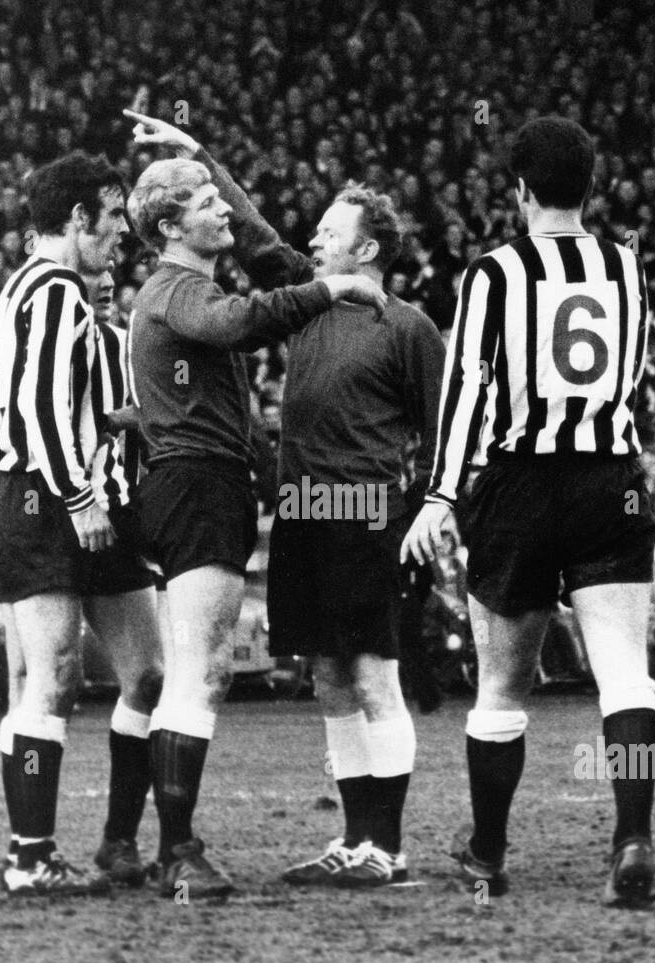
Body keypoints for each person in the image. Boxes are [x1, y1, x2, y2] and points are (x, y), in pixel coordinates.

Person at [130, 112, 445, 888]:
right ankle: (353, 838)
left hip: (370, 515)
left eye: (330, 234)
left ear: (366, 249)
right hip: (304, 514)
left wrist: (438, 506)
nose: (313, 243)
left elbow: (447, 427)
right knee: (330, 678)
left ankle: (388, 846)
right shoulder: (306, 302)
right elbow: (262, 237)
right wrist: (201, 155)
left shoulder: (409, 328)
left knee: (375, 675)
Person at [402, 116, 655, 907]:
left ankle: (486, 853)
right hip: (609, 479)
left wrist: (442, 494)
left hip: (520, 484)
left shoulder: (494, 274)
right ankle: (633, 838)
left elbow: (469, 391)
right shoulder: (626, 267)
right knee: (625, 675)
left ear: (519, 189)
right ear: (591, 187)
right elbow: (635, 372)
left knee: (502, 687)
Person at [0, 150, 127, 896]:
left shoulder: (18, 291)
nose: (119, 235)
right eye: (111, 219)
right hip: (36, 496)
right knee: (53, 675)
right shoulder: (60, 290)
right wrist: (77, 496)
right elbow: (38, 409)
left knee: (43, 676)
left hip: (15, 492)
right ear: (77, 219)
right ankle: (30, 858)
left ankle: (29, 852)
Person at [78, 259, 165, 890]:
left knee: (150, 678)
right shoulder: (33, 335)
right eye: (93, 269)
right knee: (38, 684)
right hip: (46, 522)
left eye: (111, 269)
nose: (106, 278)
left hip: (114, 522)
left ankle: (119, 840)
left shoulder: (123, 343)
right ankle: (31, 850)